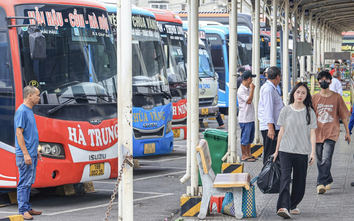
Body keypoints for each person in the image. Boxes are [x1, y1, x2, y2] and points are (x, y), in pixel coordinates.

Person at [273, 82, 317, 219]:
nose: (300, 95)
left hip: (302, 151)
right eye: (298, 92)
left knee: (300, 181)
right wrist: (276, 151)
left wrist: (313, 152)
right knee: (285, 179)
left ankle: (293, 204)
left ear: (306, 95)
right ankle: (283, 207)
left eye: (303, 93)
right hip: (286, 150)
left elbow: (313, 133)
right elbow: (281, 131)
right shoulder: (285, 110)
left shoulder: (310, 112)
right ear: (293, 93)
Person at [312, 71, 351, 194]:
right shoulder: (314, 98)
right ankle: (328, 178)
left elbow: (343, 115)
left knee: (327, 158)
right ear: (318, 82)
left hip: (332, 132)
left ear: (330, 81)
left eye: (326, 79)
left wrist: (347, 131)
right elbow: (310, 117)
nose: (324, 81)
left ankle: (321, 182)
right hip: (317, 133)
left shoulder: (337, 98)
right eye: (321, 79)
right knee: (319, 160)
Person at [15, 85, 42, 220]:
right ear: (29, 96)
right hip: (24, 155)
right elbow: (19, 134)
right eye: (37, 95)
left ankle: (27, 207)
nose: (39, 97)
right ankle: (23, 210)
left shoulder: (29, 110)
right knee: (24, 182)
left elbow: (30, 134)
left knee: (29, 182)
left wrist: (36, 150)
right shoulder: (22, 111)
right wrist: (26, 154)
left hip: (31, 153)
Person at [258, 66, 284, 164]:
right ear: (278, 77)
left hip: (274, 125)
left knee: (274, 154)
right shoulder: (268, 89)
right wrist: (271, 128)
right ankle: (268, 177)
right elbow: (268, 109)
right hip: (270, 127)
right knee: (270, 154)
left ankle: (274, 177)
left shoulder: (271, 88)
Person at [238, 70, 256, 162]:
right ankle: (244, 155)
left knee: (249, 138)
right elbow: (248, 101)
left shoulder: (247, 88)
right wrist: (252, 89)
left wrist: (251, 89)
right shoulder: (241, 90)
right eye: (251, 78)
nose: (252, 80)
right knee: (245, 138)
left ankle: (249, 154)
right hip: (245, 118)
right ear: (249, 79)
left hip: (250, 117)